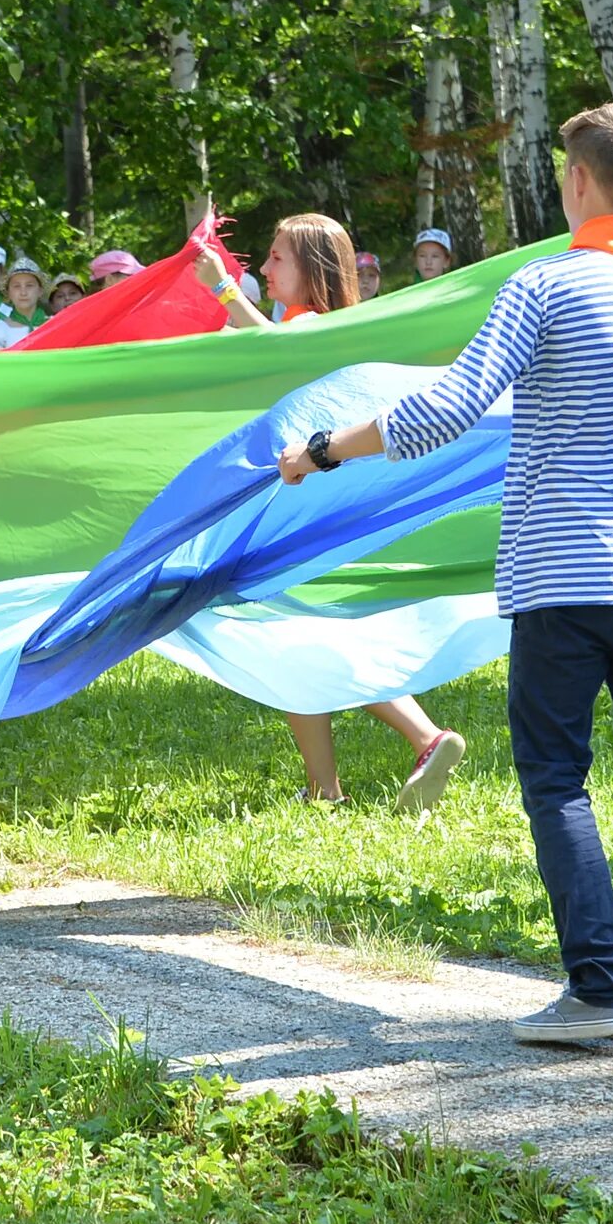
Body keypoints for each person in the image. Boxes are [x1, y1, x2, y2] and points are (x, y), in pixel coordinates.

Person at [272, 101, 613, 1045]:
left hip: (561, 575)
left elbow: (445, 410)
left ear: (577, 181)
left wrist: (323, 448)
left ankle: (596, 986)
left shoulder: (543, 286)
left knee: (555, 775)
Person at [192, 215, 468, 814]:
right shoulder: (314, 324)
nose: (264, 269)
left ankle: (420, 740)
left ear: (312, 270)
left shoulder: (315, 327)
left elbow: (274, 349)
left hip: (304, 502)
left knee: (300, 634)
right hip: (306, 498)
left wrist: (221, 285)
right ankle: (330, 786)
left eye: (275, 258)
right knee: (296, 639)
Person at [0, 258, 49, 349]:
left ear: (40, 290)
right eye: (16, 286)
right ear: (9, 292)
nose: (23, 292)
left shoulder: (56, 325)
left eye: (29, 285)